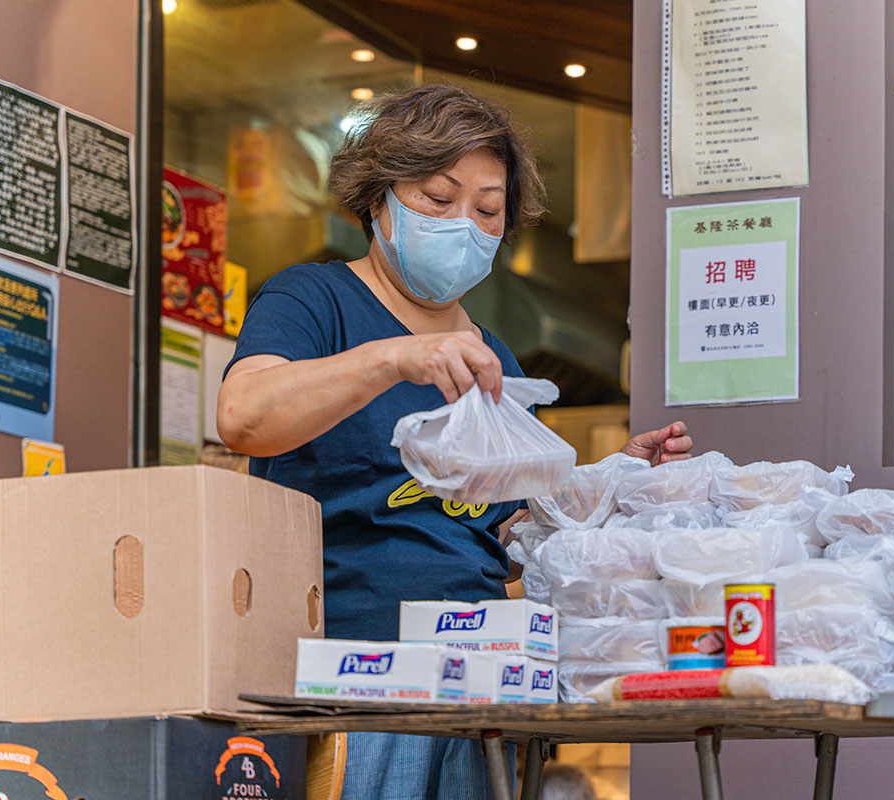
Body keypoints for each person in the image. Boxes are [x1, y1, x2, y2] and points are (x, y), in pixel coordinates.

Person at [217, 84, 693, 799]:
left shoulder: (493, 352)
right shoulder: (312, 300)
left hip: (487, 682)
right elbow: (243, 414)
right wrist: (393, 357)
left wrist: (604, 484)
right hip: (352, 682)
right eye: (439, 200)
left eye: (487, 210)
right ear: (377, 200)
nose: (464, 224)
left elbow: (505, 540)